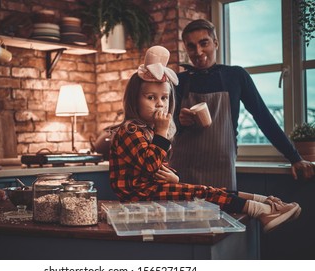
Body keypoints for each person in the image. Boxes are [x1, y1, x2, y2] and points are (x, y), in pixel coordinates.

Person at [109, 45, 301, 233]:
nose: (160, 104)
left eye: (164, 98)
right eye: (151, 98)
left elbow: (155, 166)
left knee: (209, 189)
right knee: (201, 194)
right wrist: (161, 133)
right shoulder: (131, 130)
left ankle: (266, 202)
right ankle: (261, 210)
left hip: (149, 190)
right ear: (135, 99)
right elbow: (150, 164)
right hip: (138, 197)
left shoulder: (147, 131)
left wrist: (173, 176)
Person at [170, 19, 314, 191]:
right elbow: (166, 128)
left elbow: (263, 117)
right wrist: (178, 122)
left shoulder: (236, 76)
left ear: (215, 43)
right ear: (186, 48)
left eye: (204, 43)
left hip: (220, 168)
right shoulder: (178, 81)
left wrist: (295, 157)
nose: (198, 51)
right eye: (191, 46)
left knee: (223, 216)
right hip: (182, 169)